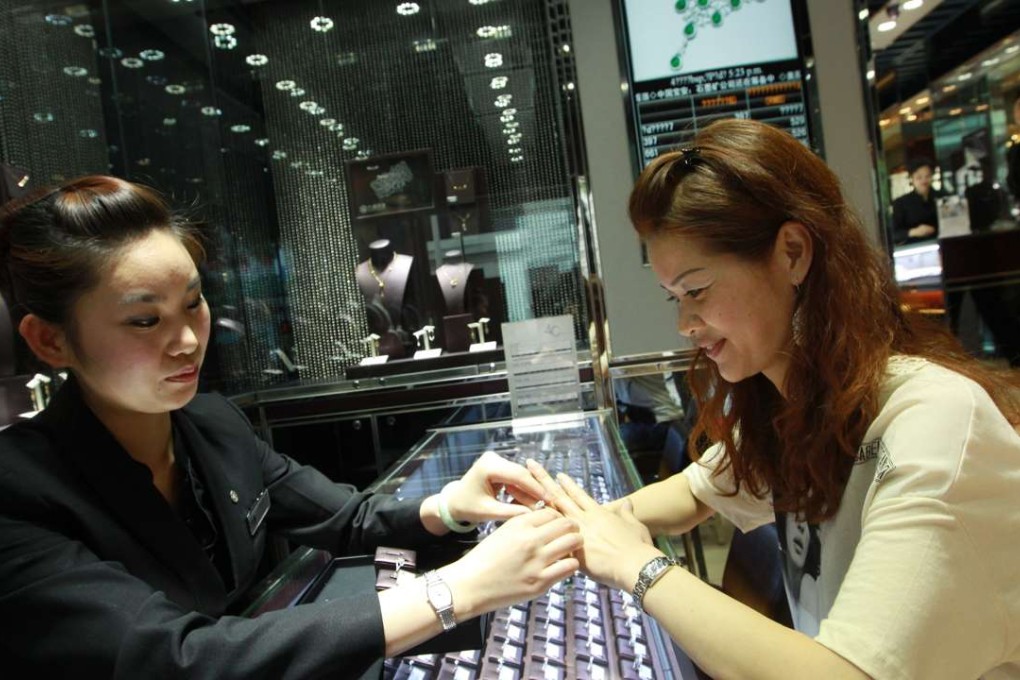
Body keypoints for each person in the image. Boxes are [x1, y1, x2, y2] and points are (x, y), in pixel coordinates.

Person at [0, 176, 583, 678]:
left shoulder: (210, 422)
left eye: (194, 303)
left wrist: (452, 506)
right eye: (144, 319)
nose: (186, 340)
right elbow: (183, 661)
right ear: (50, 340)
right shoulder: (18, 493)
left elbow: (344, 518)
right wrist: (453, 591)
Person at [526, 119, 1020, 679]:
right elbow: (693, 492)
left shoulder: (937, 424)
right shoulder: (796, 406)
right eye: (674, 298)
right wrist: (573, 526)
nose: (685, 323)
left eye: (697, 290)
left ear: (791, 253)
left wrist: (637, 565)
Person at [891, 156, 940, 245]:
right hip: (914, 248)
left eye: (927, 176)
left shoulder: (942, 196)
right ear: (912, 179)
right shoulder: (901, 203)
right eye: (919, 177)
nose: (924, 180)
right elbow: (895, 234)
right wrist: (913, 232)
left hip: (940, 244)